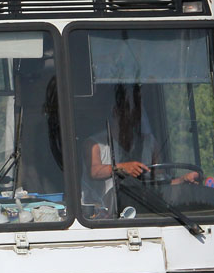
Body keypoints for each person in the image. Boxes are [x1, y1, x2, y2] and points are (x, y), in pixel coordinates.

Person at [81, 85, 198, 217]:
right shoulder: (94, 144)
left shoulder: (150, 144)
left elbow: (159, 183)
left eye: (138, 111)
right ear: (116, 112)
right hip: (101, 218)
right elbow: (94, 172)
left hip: (143, 215)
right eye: (131, 110)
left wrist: (183, 180)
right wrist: (121, 168)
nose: (135, 117)